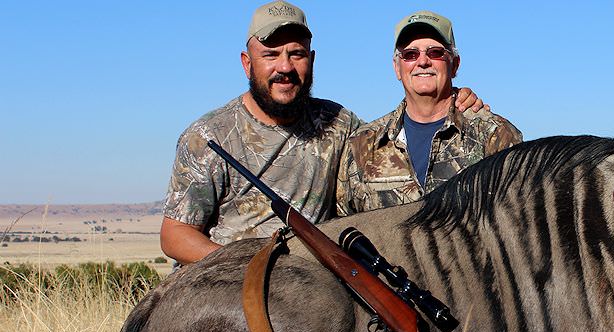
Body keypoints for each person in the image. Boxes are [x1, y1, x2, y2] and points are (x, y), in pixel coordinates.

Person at [160, 2, 484, 264]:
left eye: (296, 54)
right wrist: (249, 272)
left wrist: (453, 100)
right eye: (270, 55)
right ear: (247, 64)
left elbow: (393, 141)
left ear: (311, 60)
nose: (284, 67)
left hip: (311, 296)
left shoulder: (338, 123)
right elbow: (175, 235)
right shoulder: (208, 136)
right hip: (227, 288)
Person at [337, 10, 523, 213]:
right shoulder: (362, 144)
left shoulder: (494, 135)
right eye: (410, 54)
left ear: (455, 64)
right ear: (397, 68)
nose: (423, 61)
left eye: (435, 52)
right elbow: (343, 226)